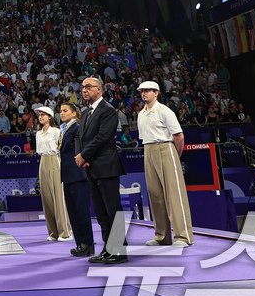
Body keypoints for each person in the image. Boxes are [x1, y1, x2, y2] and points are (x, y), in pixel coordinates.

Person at [136, 81, 193, 248]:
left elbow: (179, 136)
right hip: (148, 149)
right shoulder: (141, 114)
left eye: (147, 91)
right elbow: (144, 137)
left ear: (156, 92)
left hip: (166, 148)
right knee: (155, 195)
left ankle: (183, 236)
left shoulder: (164, 111)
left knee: (174, 195)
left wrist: (175, 155)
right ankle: (162, 236)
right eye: (142, 91)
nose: (144, 94)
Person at [76, 76, 126, 264]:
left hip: (106, 166)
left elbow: (103, 137)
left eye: (88, 87)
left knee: (113, 209)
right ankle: (108, 248)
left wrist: (84, 156)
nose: (84, 90)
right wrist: (82, 156)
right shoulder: (85, 112)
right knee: (101, 211)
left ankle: (119, 250)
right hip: (91, 167)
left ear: (100, 90)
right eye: (82, 87)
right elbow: (79, 138)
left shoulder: (108, 110)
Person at [59, 100, 95, 257]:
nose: (62, 113)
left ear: (74, 113)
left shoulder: (77, 128)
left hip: (79, 176)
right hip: (68, 176)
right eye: (60, 110)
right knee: (73, 212)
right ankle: (80, 244)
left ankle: (87, 243)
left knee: (81, 212)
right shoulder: (65, 129)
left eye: (65, 110)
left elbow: (81, 150)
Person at [34, 105, 71, 242]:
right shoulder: (38, 133)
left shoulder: (56, 131)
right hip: (42, 161)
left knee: (58, 196)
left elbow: (61, 148)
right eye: (39, 115)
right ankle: (53, 232)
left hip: (55, 160)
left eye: (43, 115)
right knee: (47, 197)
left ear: (49, 116)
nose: (40, 117)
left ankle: (65, 232)